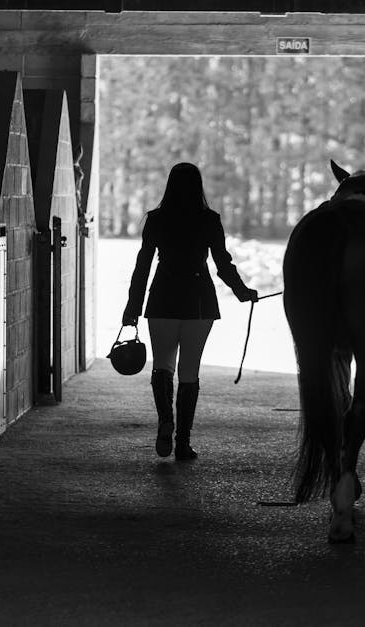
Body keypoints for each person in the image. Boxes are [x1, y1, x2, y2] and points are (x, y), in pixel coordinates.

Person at [122, 162, 258, 461]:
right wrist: (242, 292)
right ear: (198, 186)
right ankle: (183, 443)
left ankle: (165, 421)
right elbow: (222, 264)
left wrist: (132, 308)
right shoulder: (209, 219)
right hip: (199, 300)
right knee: (189, 370)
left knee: (162, 364)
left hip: (162, 298)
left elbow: (143, 265)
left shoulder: (157, 219)